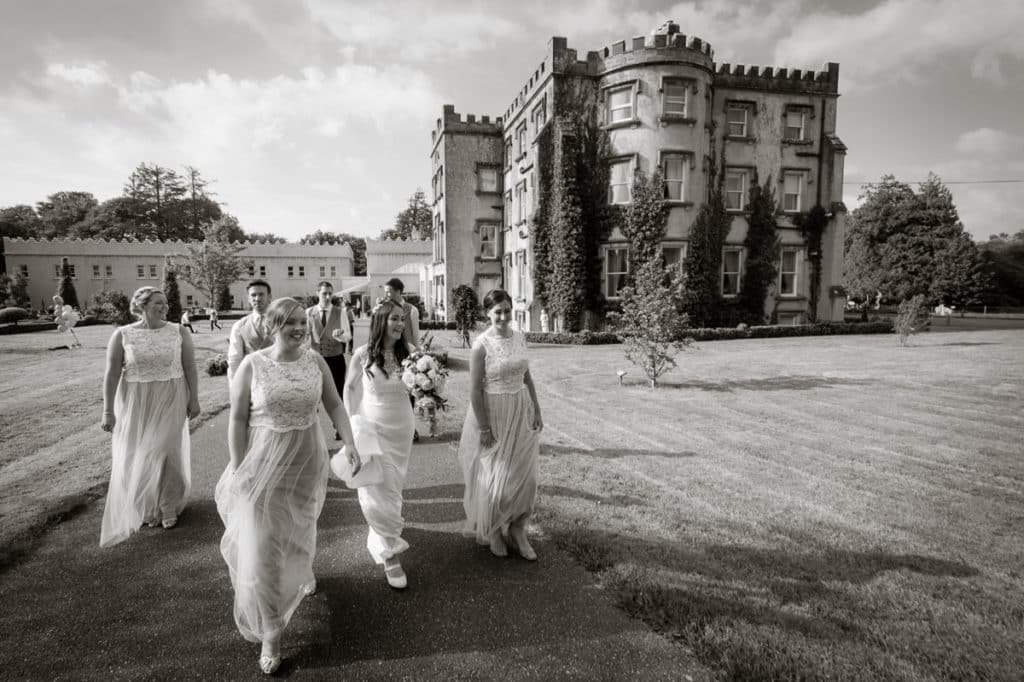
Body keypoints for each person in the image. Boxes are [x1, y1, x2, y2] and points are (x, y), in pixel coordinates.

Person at [216, 297, 361, 675]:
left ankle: (300, 572)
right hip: (263, 465)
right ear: (271, 327)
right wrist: (238, 467)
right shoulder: (253, 364)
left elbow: (334, 406)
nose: (299, 328)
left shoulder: (315, 362)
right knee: (264, 549)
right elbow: (237, 420)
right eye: (289, 323)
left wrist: (349, 441)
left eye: (302, 321)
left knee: (297, 533)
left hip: (306, 461)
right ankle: (271, 630)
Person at [99, 287, 200, 546]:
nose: (164, 306)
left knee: (165, 450)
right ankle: (147, 508)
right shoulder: (122, 335)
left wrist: (194, 398)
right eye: (158, 302)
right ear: (142, 305)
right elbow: (111, 375)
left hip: (172, 396)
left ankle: (168, 505)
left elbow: (190, 366)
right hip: (135, 401)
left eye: (165, 303)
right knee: (138, 454)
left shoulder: (178, 331)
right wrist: (108, 411)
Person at [458, 289, 543, 560]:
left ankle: (519, 529)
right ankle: (494, 530)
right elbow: (474, 390)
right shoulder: (481, 344)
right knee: (496, 476)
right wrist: (484, 428)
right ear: (488, 314)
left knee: (525, 477)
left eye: (507, 310)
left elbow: (527, 377)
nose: (504, 316)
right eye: (498, 312)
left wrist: (537, 409)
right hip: (493, 414)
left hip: (521, 409)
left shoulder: (520, 337)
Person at [343, 300, 416, 590]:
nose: (400, 324)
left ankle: (384, 528)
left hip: (402, 428)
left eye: (402, 319)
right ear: (381, 322)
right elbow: (349, 389)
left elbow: (421, 386)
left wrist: (428, 391)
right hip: (372, 427)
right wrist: (351, 425)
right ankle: (390, 555)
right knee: (376, 486)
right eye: (394, 319)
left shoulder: (410, 353)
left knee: (393, 485)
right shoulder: (362, 355)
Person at [307, 281, 351, 440]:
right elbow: (305, 337)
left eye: (329, 293)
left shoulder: (341, 312)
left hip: (336, 359)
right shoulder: (309, 312)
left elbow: (348, 337)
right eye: (324, 293)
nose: (327, 296)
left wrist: (340, 335)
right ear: (317, 293)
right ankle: (311, 430)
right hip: (315, 360)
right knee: (313, 396)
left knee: (338, 395)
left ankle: (340, 428)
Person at [383, 278, 421, 441]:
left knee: (408, 392)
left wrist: (417, 356)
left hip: (406, 355)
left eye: (389, 291)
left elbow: (416, 335)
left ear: (398, 292)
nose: (386, 295)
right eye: (385, 292)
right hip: (388, 354)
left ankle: (411, 428)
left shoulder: (411, 310)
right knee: (390, 392)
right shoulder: (383, 309)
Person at [227, 280, 273, 383]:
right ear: (248, 298)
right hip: (252, 381)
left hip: (279, 380)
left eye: (261, 294)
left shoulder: (282, 322)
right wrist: (234, 386)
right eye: (253, 295)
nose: (257, 299)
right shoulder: (239, 326)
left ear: (269, 297)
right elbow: (234, 360)